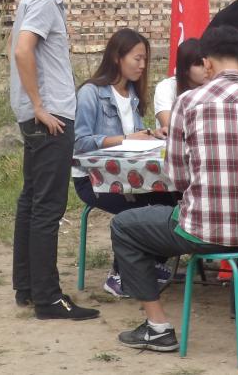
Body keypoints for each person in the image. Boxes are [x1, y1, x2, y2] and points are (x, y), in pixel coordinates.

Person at [110, 25, 238, 352]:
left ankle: (158, 326)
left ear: (207, 64)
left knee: (123, 227)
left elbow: (178, 178)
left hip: (199, 233)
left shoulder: (187, 103)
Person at [10, 0, 99, 321]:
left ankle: (28, 288)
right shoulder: (44, 0)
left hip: (40, 115)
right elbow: (22, 51)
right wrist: (39, 106)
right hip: (51, 118)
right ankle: (48, 299)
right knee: (48, 206)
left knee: (32, 202)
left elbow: (20, 49)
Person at [73, 27, 175, 297]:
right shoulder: (91, 93)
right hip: (94, 179)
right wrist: (126, 138)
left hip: (129, 177)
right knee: (146, 210)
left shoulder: (131, 93)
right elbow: (80, 142)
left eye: (145, 60)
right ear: (117, 57)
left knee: (172, 199)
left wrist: (151, 134)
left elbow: (133, 136)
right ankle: (119, 274)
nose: (142, 65)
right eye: (137, 58)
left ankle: (152, 263)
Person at [153, 37, 209, 135]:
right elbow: (170, 127)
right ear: (185, 68)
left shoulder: (213, 88)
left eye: (208, 63)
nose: (206, 69)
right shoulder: (166, 87)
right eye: (199, 64)